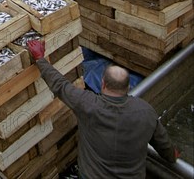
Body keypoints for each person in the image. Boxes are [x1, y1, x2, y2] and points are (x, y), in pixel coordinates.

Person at [27, 40, 178, 179]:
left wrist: (40, 58)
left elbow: (60, 85)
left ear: (103, 83)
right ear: (128, 87)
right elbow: (163, 144)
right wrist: (173, 156)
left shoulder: (88, 104)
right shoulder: (146, 112)